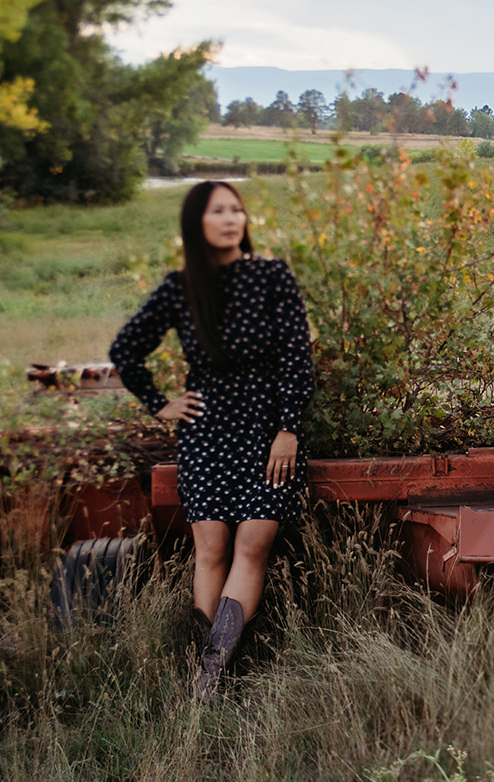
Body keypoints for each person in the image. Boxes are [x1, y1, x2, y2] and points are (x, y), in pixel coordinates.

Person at [110, 180, 315, 698]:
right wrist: (161, 404)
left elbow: (297, 356)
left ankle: (210, 674)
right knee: (211, 547)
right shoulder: (179, 288)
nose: (230, 218)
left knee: (254, 540)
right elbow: (126, 348)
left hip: (269, 429)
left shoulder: (270, 276)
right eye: (217, 210)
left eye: (236, 209)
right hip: (205, 433)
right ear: (196, 224)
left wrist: (288, 427)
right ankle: (210, 679)